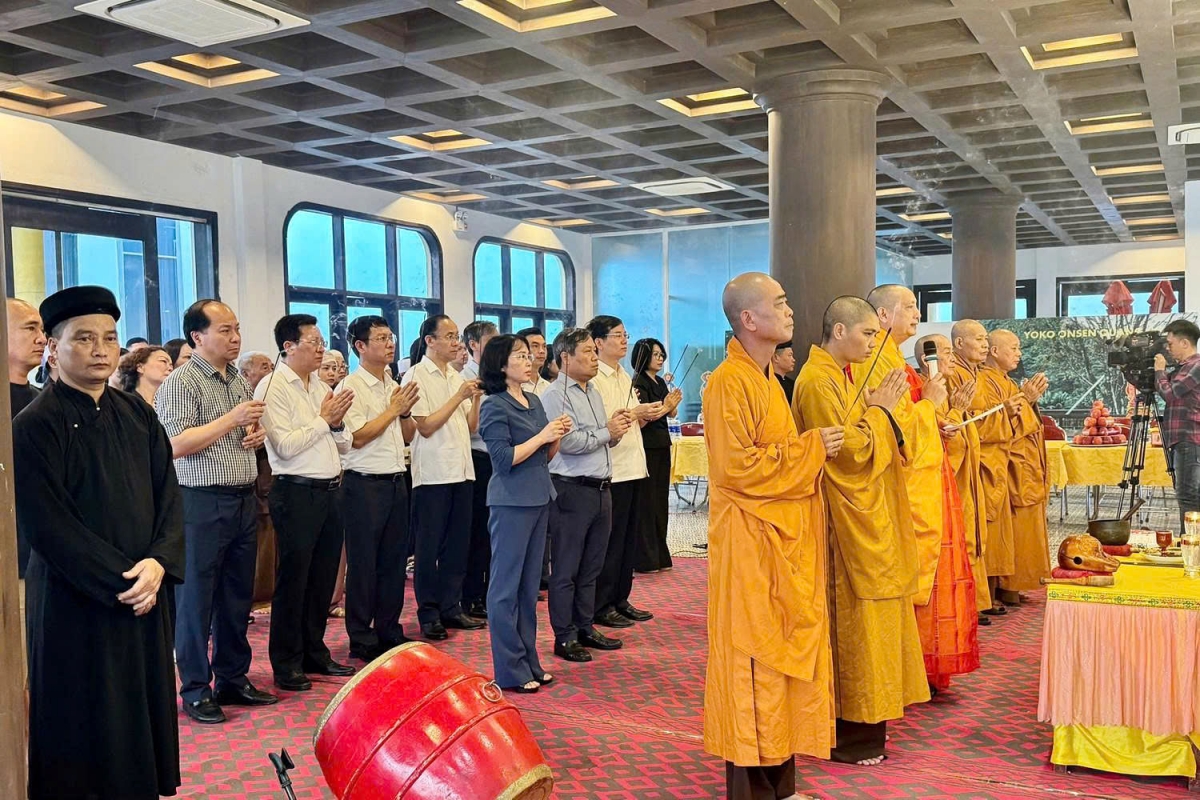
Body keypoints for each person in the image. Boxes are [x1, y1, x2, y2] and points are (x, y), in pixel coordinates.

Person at [14, 285, 184, 799]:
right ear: (54, 347)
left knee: (141, 721)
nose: (100, 349)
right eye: (83, 338)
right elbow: (49, 527)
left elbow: (169, 498)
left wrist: (158, 562)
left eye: (108, 338)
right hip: (77, 601)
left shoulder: (137, 415)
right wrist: (125, 580)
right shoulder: (33, 426)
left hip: (144, 593)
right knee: (82, 730)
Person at [703, 274, 841, 800]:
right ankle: (753, 788)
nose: (790, 311)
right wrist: (811, 450)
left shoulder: (766, 380)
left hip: (779, 539)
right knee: (753, 659)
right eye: (779, 303)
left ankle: (780, 781)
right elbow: (737, 469)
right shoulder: (726, 382)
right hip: (748, 544)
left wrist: (812, 448)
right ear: (749, 321)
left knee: (780, 659)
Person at [793, 296, 929, 766]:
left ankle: (867, 722)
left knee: (874, 623)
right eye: (869, 333)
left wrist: (883, 412)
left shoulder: (843, 377)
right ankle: (848, 732)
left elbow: (871, 440)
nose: (875, 342)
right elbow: (847, 455)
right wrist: (883, 412)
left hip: (869, 517)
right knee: (852, 623)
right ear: (839, 332)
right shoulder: (816, 381)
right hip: (842, 525)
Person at [155, 300, 277, 724]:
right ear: (197, 336)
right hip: (200, 501)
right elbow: (174, 444)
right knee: (195, 600)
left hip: (242, 498)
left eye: (236, 328)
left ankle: (232, 677)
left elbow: (242, 430)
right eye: (224, 330)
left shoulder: (235, 381)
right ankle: (194, 688)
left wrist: (254, 433)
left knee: (236, 596)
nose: (235, 337)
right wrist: (232, 421)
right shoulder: (180, 383)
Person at [256, 314, 357, 690]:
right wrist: (322, 420)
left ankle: (315, 650)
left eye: (320, 341)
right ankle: (286, 662)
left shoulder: (318, 384)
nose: (320, 348)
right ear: (288, 346)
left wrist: (335, 422)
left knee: (322, 578)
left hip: (330, 490)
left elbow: (344, 443)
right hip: (295, 492)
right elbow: (284, 446)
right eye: (312, 342)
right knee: (294, 580)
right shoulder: (272, 386)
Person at [478, 334, 570, 692]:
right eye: (519, 355)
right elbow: (503, 460)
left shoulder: (532, 400)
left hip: (538, 495)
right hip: (510, 500)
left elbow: (541, 457)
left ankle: (529, 659)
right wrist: (542, 435)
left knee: (529, 588)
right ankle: (510, 668)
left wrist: (556, 437)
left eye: (528, 354)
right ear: (502, 365)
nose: (529, 359)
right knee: (505, 587)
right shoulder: (494, 404)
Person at [855, 285, 947, 637]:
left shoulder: (891, 356)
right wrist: (930, 404)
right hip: (897, 480)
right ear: (882, 316)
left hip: (913, 474)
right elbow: (897, 427)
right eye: (909, 307)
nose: (917, 315)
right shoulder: (878, 360)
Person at [541, 328, 633, 662]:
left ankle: (585, 625)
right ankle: (564, 636)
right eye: (588, 353)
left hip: (601, 488)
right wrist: (606, 432)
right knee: (566, 568)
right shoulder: (555, 395)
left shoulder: (592, 391)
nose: (595, 359)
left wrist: (615, 432)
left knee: (592, 566)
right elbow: (568, 442)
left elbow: (599, 439)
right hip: (572, 489)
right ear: (565, 357)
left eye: (595, 352)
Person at [339, 316, 420, 661]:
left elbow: (407, 435)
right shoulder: (349, 388)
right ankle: (361, 636)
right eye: (382, 338)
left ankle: (389, 629)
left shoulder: (392, 382)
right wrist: (393, 410)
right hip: (363, 485)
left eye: (392, 337)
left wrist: (404, 414)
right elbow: (356, 438)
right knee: (363, 564)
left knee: (393, 562)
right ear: (360, 346)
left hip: (396, 480)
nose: (391, 344)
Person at [401, 314, 486, 640]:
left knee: (457, 544)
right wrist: (459, 397)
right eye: (449, 336)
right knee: (429, 547)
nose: (456, 343)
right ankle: (429, 613)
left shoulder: (454, 376)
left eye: (457, 337)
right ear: (429, 341)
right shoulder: (416, 375)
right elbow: (424, 425)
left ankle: (452, 607)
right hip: (433, 473)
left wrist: (474, 398)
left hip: (462, 470)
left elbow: (470, 426)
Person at [912, 334, 981, 692]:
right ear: (926, 359)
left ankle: (937, 665)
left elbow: (942, 438)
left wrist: (953, 412)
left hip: (944, 490)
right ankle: (923, 665)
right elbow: (916, 444)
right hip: (924, 496)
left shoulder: (933, 390)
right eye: (945, 351)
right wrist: (940, 411)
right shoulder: (916, 387)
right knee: (928, 582)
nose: (950, 357)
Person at [588, 315, 662, 631]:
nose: (624, 340)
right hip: (612, 470)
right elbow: (607, 423)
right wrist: (636, 413)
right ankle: (602, 604)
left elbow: (633, 421)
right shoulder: (595, 379)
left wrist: (650, 413)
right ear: (598, 342)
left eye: (625, 334)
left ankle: (621, 598)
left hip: (634, 465)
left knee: (628, 539)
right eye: (617, 335)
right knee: (611, 541)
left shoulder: (623, 376)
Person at [980, 331, 1051, 605]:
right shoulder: (985, 381)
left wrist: (1028, 399)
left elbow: (1024, 421)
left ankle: (1015, 584)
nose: (1019, 353)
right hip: (1008, 468)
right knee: (1012, 530)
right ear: (994, 350)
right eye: (1014, 347)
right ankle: (1005, 586)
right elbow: (995, 426)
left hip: (1023, 467)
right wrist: (1025, 398)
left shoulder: (1005, 381)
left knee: (1024, 528)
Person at [946, 320, 993, 623]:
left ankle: (977, 599)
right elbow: (948, 419)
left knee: (975, 531)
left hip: (976, 461)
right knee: (964, 531)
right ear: (958, 344)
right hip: (961, 463)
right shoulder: (954, 375)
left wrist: (1018, 407)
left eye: (986, 338)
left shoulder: (977, 374)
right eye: (979, 338)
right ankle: (967, 602)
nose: (985, 344)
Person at [631, 338, 682, 574]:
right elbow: (642, 419)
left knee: (661, 501)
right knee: (648, 501)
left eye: (662, 354)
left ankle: (661, 555)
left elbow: (669, 413)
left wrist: (672, 403)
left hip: (663, 443)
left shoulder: (660, 380)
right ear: (643, 356)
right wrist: (665, 405)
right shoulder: (638, 382)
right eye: (655, 354)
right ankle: (645, 557)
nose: (660, 358)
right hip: (647, 446)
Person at [461, 320, 499, 620]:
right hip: (477, 458)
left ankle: (488, 590)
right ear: (473, 344)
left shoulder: (495, 377)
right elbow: (470, 428)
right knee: (476, 531)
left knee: (493, 531)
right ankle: (471, 595)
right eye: (491, 339)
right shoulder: (466, 378)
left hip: (497, 458)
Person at [8, 298, 46, 581]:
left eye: (43, 330)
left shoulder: (43, 401)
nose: (42, 339)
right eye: (30, 329)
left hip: (38, 545)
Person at [1155, 319, 1200, 533]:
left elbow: (1170, 393)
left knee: (1188, 496)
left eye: (1170, 344)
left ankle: (1191, 548)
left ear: (1184, 343)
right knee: (1189, 495)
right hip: (1183, 440)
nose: (1168, 349)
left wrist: (1159, 371)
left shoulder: (1196, 366)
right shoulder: (1183, 368)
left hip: (1189, 439)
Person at [517, 326, 553, 395]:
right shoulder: (515, 385)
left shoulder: (548, 387)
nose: (541, 351)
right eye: (535, 346)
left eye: (544, 346)